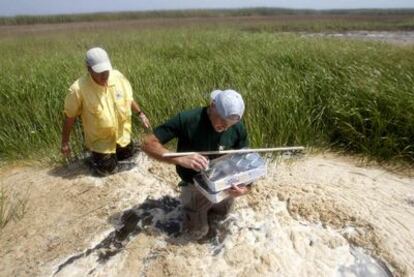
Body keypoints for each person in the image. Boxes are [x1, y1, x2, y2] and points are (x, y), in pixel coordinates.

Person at [142, 89, 249, 239]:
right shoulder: (188, 119)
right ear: (212, 105)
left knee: (221, 219)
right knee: (197, 231)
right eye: (222, 121)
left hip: (224, 185)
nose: (225, 128)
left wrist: (245, 188)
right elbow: (148, 144)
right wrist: (179, 159)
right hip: (194, 187)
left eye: (230, 125)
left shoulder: (237, 128)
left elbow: (246, 161)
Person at [61, 47, 150, 175]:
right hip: (101, 142)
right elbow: (70, 117)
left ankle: (122, 150)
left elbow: (128, 99)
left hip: (121, 136)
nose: (104, 75)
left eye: (106, 70)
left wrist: (141, 114)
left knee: (129, 156)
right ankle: (92, 158)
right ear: (88, 68)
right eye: (99, 72)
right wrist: (65, 143)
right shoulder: (78, 90)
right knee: (107, 169)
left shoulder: (118, 77)